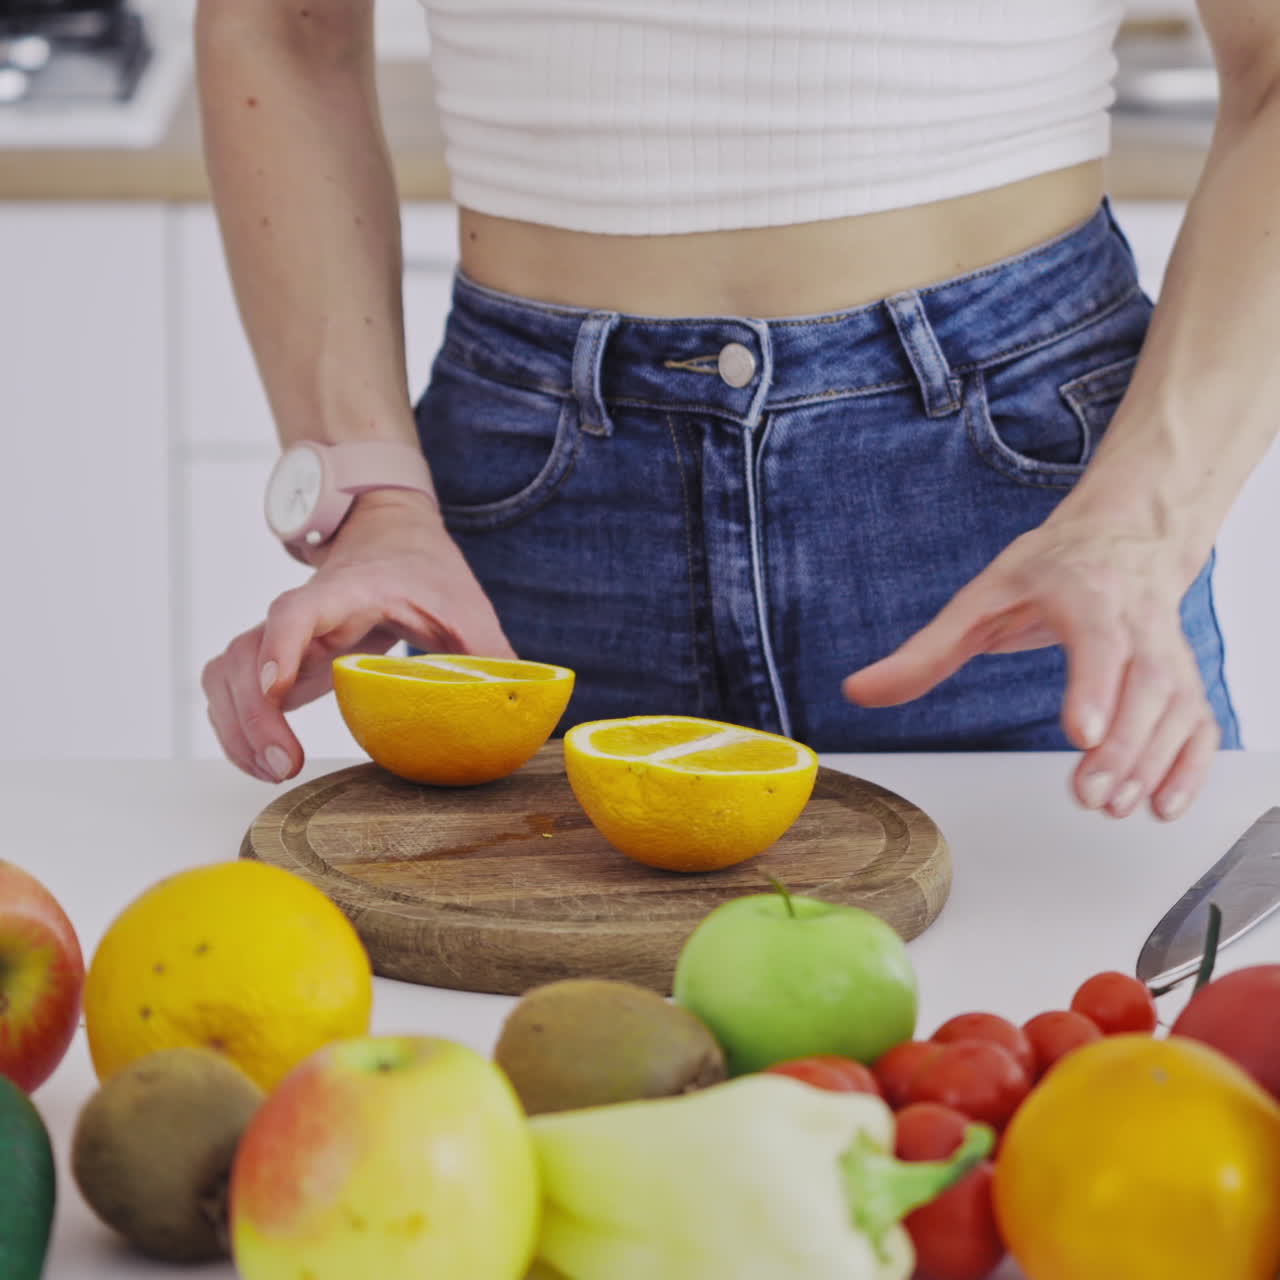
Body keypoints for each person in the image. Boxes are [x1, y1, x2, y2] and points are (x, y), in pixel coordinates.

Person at [197, 0, 1277, 823]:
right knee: (528, 1096)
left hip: (1024, 519)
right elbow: (280, 26)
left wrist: (1143, 520)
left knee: (1106, 1084)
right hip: (529, 517)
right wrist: (373, 496)